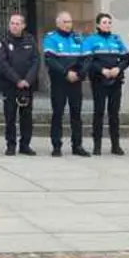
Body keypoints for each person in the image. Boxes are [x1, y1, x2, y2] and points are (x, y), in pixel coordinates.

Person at [82, 12, 129, 156]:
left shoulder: (117, 39)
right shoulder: (91, 40)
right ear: (98, 25)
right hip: (99, 81)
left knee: (114, 114)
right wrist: (102, 70)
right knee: (99, 113)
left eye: (109, 22)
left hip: (115, 81)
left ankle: (116, 145)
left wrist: (118, 68)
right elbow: (88, 60)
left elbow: (126, 58)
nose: (107, 25)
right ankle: (97, 145)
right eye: (104, 22)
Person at [43, 11, 88, 157]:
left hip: (75, 82)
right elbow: (50, 60)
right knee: (58, 114)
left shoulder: (78, 38)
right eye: (65, 22)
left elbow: (86, 59)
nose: (68, 25)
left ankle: (77, 145)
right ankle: (56, 146)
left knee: (76, 115)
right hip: (59, 82)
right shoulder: (51, 38)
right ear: (58, 23)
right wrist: (65, 73)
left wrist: (79, 74)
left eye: (69, 22)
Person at [0, 12, 39, 156]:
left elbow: (35, 61)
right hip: (10, 86)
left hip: (27, 86)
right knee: (10, 117)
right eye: (12, 23)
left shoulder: (30, 40)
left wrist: (27, 80)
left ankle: (25, 145)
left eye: (17, 23)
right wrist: (17, 80)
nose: (14, 26)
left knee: (27, 117)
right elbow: (3, 64)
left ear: (23, 25)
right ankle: (11, 145)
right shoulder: (3, 41)